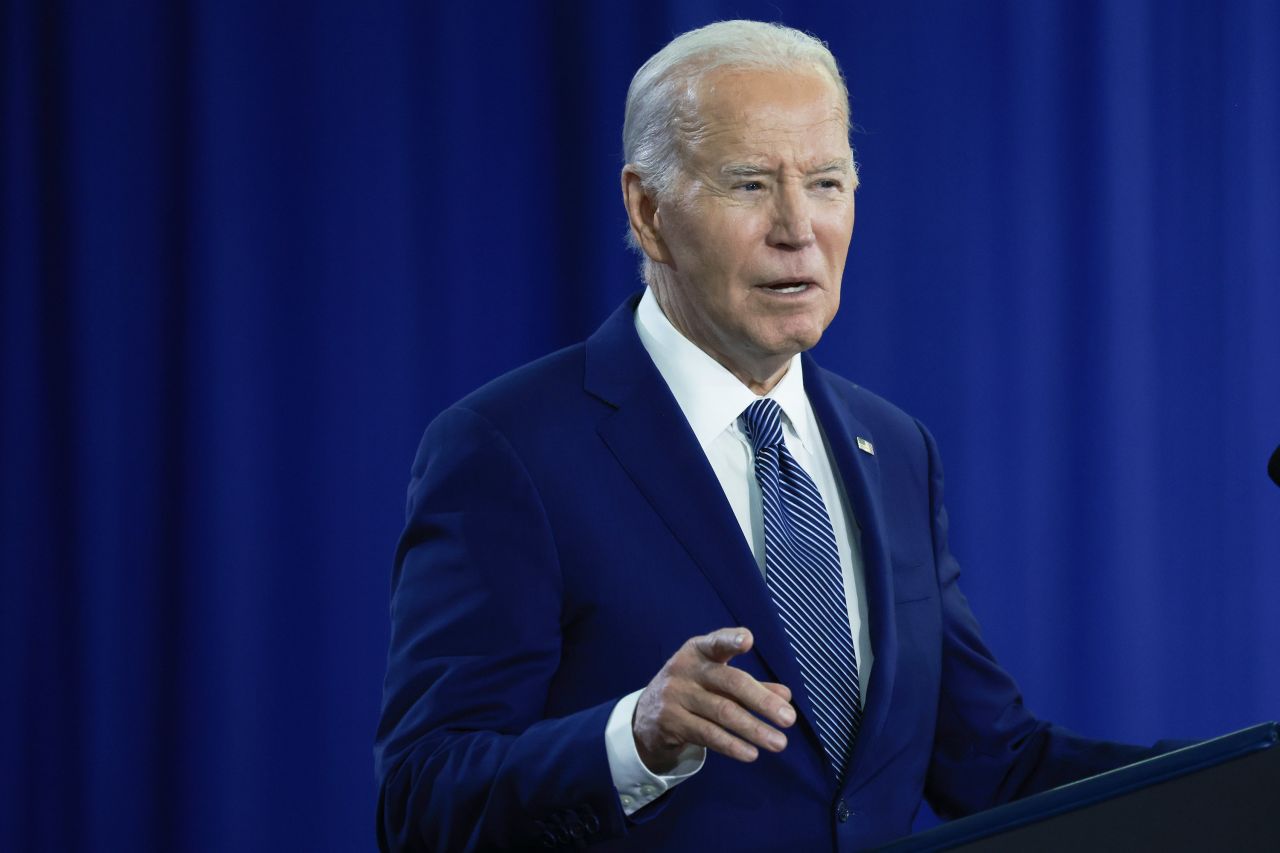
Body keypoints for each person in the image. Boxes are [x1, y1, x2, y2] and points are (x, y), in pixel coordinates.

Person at [375, 20, 1165, 852]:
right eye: (750, 185)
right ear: (647, 212)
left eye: (826, 182)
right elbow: (421, 802)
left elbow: (996, 766)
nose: (798, 228)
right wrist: (631, 739)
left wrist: (1255, 779)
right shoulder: (512, 450)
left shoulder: (893, 448)